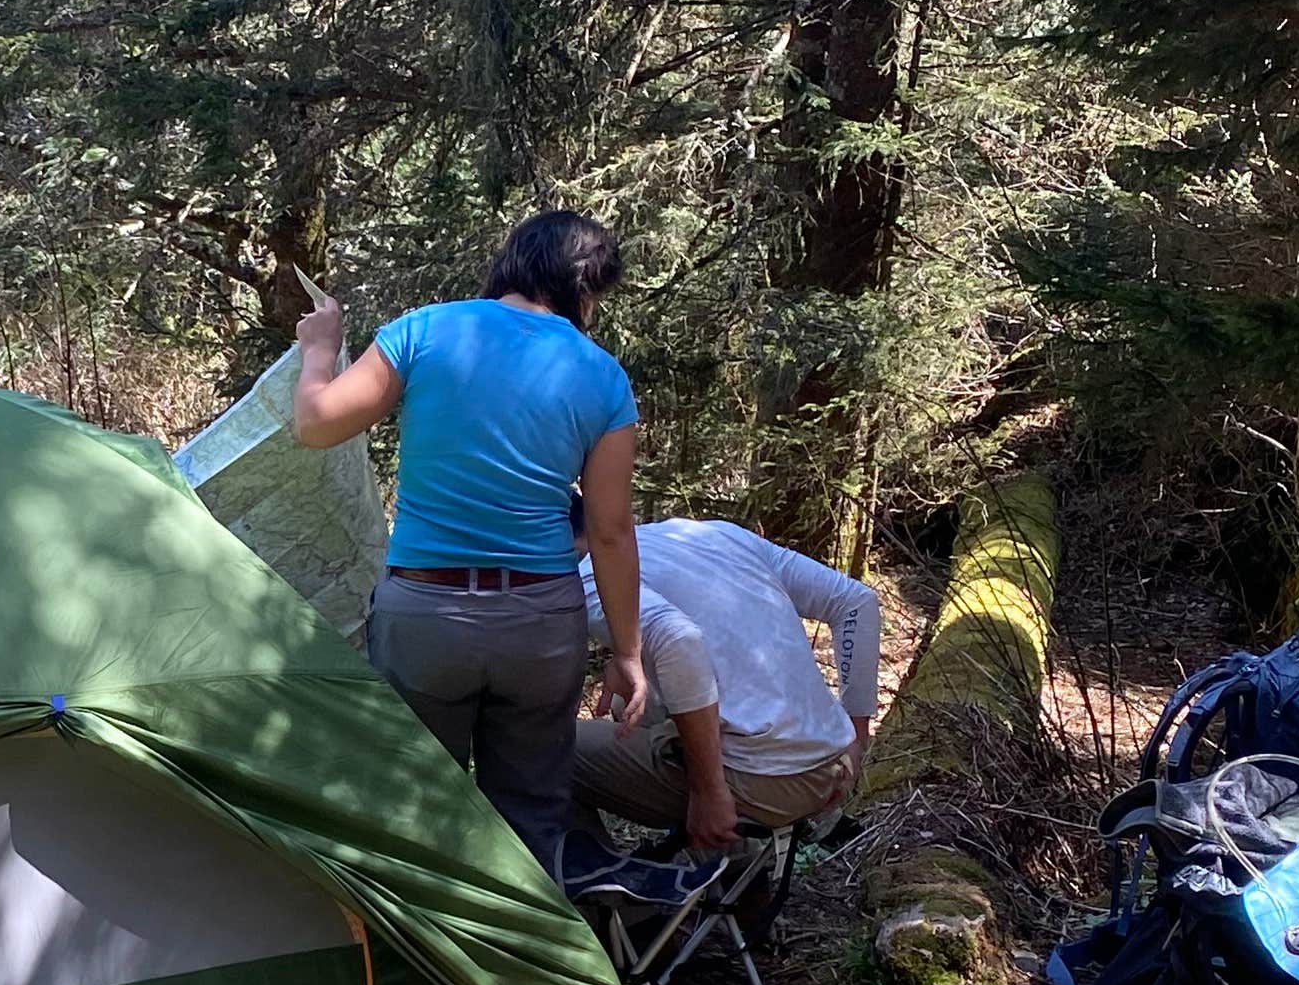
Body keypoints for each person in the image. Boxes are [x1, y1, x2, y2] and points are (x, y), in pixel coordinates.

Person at [290, 211, 646, 865]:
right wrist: (628, 652)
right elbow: (611, 531)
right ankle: (524, 962)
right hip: (539, 626)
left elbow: (315, 424)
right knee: (534, 819)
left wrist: (320, 348)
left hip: (425, 617)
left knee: (417, 815)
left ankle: (424, 963)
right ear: (580, 287)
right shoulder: (604, 378)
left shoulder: (424, 331)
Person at [571, 518, 881, 856]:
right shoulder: (714, 534)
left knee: (530, 750)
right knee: (626, 705)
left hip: (765, 778)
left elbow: (678, 641)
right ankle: (733, 889)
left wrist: (709, 792)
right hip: (830, 763)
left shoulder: (592, 572)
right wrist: (856, 738)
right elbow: (856, 602)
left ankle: (610, 894)